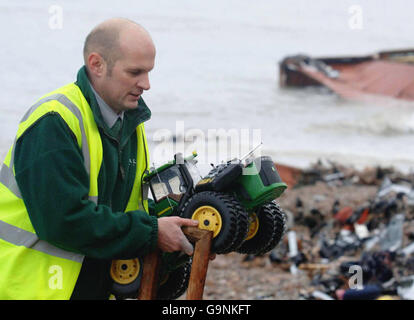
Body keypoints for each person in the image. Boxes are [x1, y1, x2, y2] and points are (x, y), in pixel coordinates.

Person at [0, 18, 199, 300]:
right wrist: (152, 233)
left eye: (149, 72)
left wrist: (180, 230)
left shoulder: (131, 123)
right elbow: (63, 222)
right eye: (135, 72)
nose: (146, 84)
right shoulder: (53, 122)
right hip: (33, 290)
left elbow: (126, 211)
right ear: (97, 64)